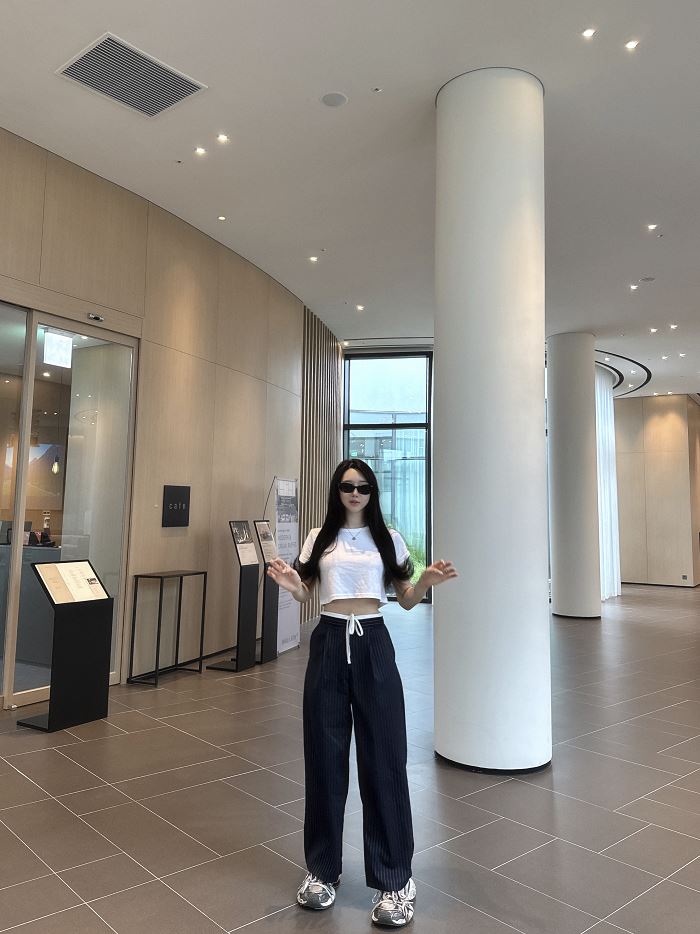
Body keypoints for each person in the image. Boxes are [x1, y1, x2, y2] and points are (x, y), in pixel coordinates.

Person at [267, 458, 458, 927]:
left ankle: (395, 879)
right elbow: (305, 592)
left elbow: (406, 599)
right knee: (324, 759)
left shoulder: (387, 538)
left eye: (364, 487)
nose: (356, 493)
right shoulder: (319, 538)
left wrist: (425, 582)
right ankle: (322, 870)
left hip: (373, 641)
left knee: (384, 758)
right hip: (330, 641)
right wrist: (293, 586)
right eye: (348, 486)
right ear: (337, 490)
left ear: (373, 493)